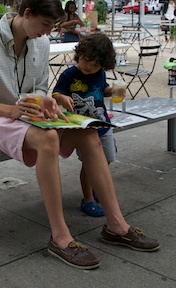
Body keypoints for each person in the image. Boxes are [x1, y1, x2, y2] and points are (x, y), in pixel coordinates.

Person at [0, 0, 159, 270]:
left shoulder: (40, 43)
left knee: (90, 133)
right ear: (27, 13)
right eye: (44, 25)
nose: (47, 32)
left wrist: (47, 100)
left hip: (31, 117)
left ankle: (116, 225)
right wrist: (11, 109)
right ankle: (60, 236)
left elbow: (40, 86)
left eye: (51, 27)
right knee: (50, 138)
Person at [52, 34, 121, 218]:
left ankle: (98, 185)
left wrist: (112, 90)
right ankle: (88, 198)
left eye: (96, 64)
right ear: (79, 55)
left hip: (102, 125)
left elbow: (103, 89)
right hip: (82, 130)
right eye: (86, 61)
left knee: (107, 159)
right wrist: (62, 98)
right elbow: (55, 94)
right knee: (89, 164)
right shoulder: (69, 75)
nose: (89, 67)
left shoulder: (99, 73)